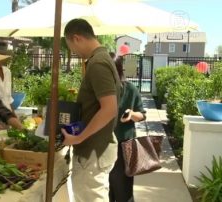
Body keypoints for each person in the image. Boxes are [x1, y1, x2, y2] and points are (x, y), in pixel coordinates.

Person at [61, 18, 121, 202]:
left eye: (71, 46)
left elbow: (109, 109)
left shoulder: (98, 64)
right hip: (98, 149)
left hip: (93, 151)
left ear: (77, 38)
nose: (74, 52)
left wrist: (78, 138)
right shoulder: (102, 59)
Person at [109, 56, 146, 202]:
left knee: (123, 188)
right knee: (107, 187)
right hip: (103, 144)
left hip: (124, 145)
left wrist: (131, 114)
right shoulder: (100, 89)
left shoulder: (130, 89)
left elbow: (142, 115)